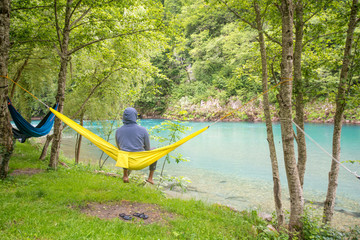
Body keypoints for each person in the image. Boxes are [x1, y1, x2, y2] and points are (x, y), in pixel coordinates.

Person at [115, 107, 156, 184]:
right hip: (139, 160)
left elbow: (119, 148)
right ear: (135, 116)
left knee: (123, 152)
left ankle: (125, 175)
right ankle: (150, 178)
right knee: (154, 150)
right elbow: (147, 149)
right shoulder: (143, 130)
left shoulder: (118, 131)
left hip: (126, 161)